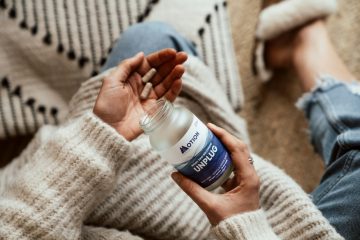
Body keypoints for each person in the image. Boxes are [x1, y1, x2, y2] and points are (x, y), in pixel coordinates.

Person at [0, 18, 358, 240]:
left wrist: (99, 134)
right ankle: (305, 43)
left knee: (151, 40)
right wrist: (245, 225)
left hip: (74, 203)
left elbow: (24, 224)